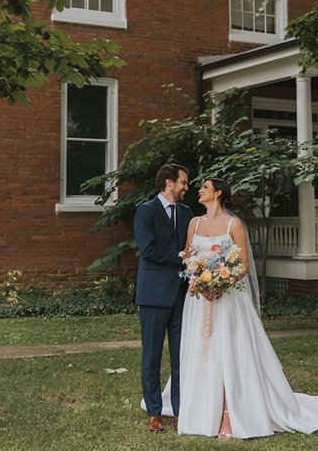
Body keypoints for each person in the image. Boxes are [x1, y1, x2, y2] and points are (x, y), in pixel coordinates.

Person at [169, 178, 318, 438]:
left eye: (205, 187)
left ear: (218, 193)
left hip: (228, 300)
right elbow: (187, 255)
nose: (200, 190)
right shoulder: (194, 223)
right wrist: (198, 279)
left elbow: (242, 263)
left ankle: (229, 418)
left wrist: (221, 283)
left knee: (228, 353)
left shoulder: (234, 224)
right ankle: (201, 413)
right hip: (199, 300)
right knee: (203, 355)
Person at [134, 162, 192, 433]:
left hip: (182, 295)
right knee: (152, 356)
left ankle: (180, 410)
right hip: (153, 295)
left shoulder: (188, 212)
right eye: (183, 182)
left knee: (181, 356)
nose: (186, 187)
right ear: (169, 183)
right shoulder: (145, 211)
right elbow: (148, 251)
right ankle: (154, 412)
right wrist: (182, 257)